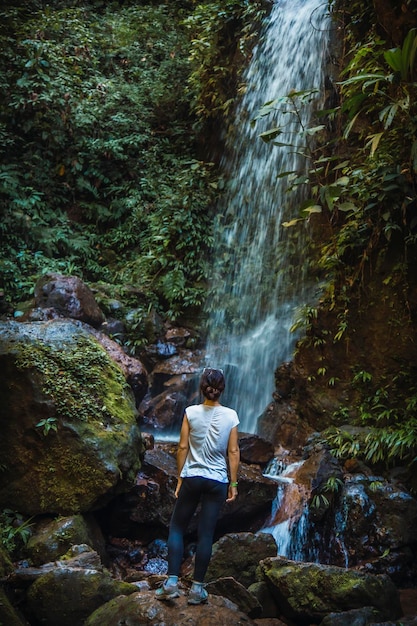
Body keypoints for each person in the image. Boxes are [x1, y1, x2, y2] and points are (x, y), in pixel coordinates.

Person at [155, 367, 240, 605]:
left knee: (177, 527)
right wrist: (233, 483)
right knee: (206, 534)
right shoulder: (231, 416)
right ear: (221, 390)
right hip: (217, 481)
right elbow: (233, 451)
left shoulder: (190, 412)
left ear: (201, 388)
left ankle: (171, 583)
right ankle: (197, 589)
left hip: (192, 477)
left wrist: (181, 477)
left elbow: (182, 447)